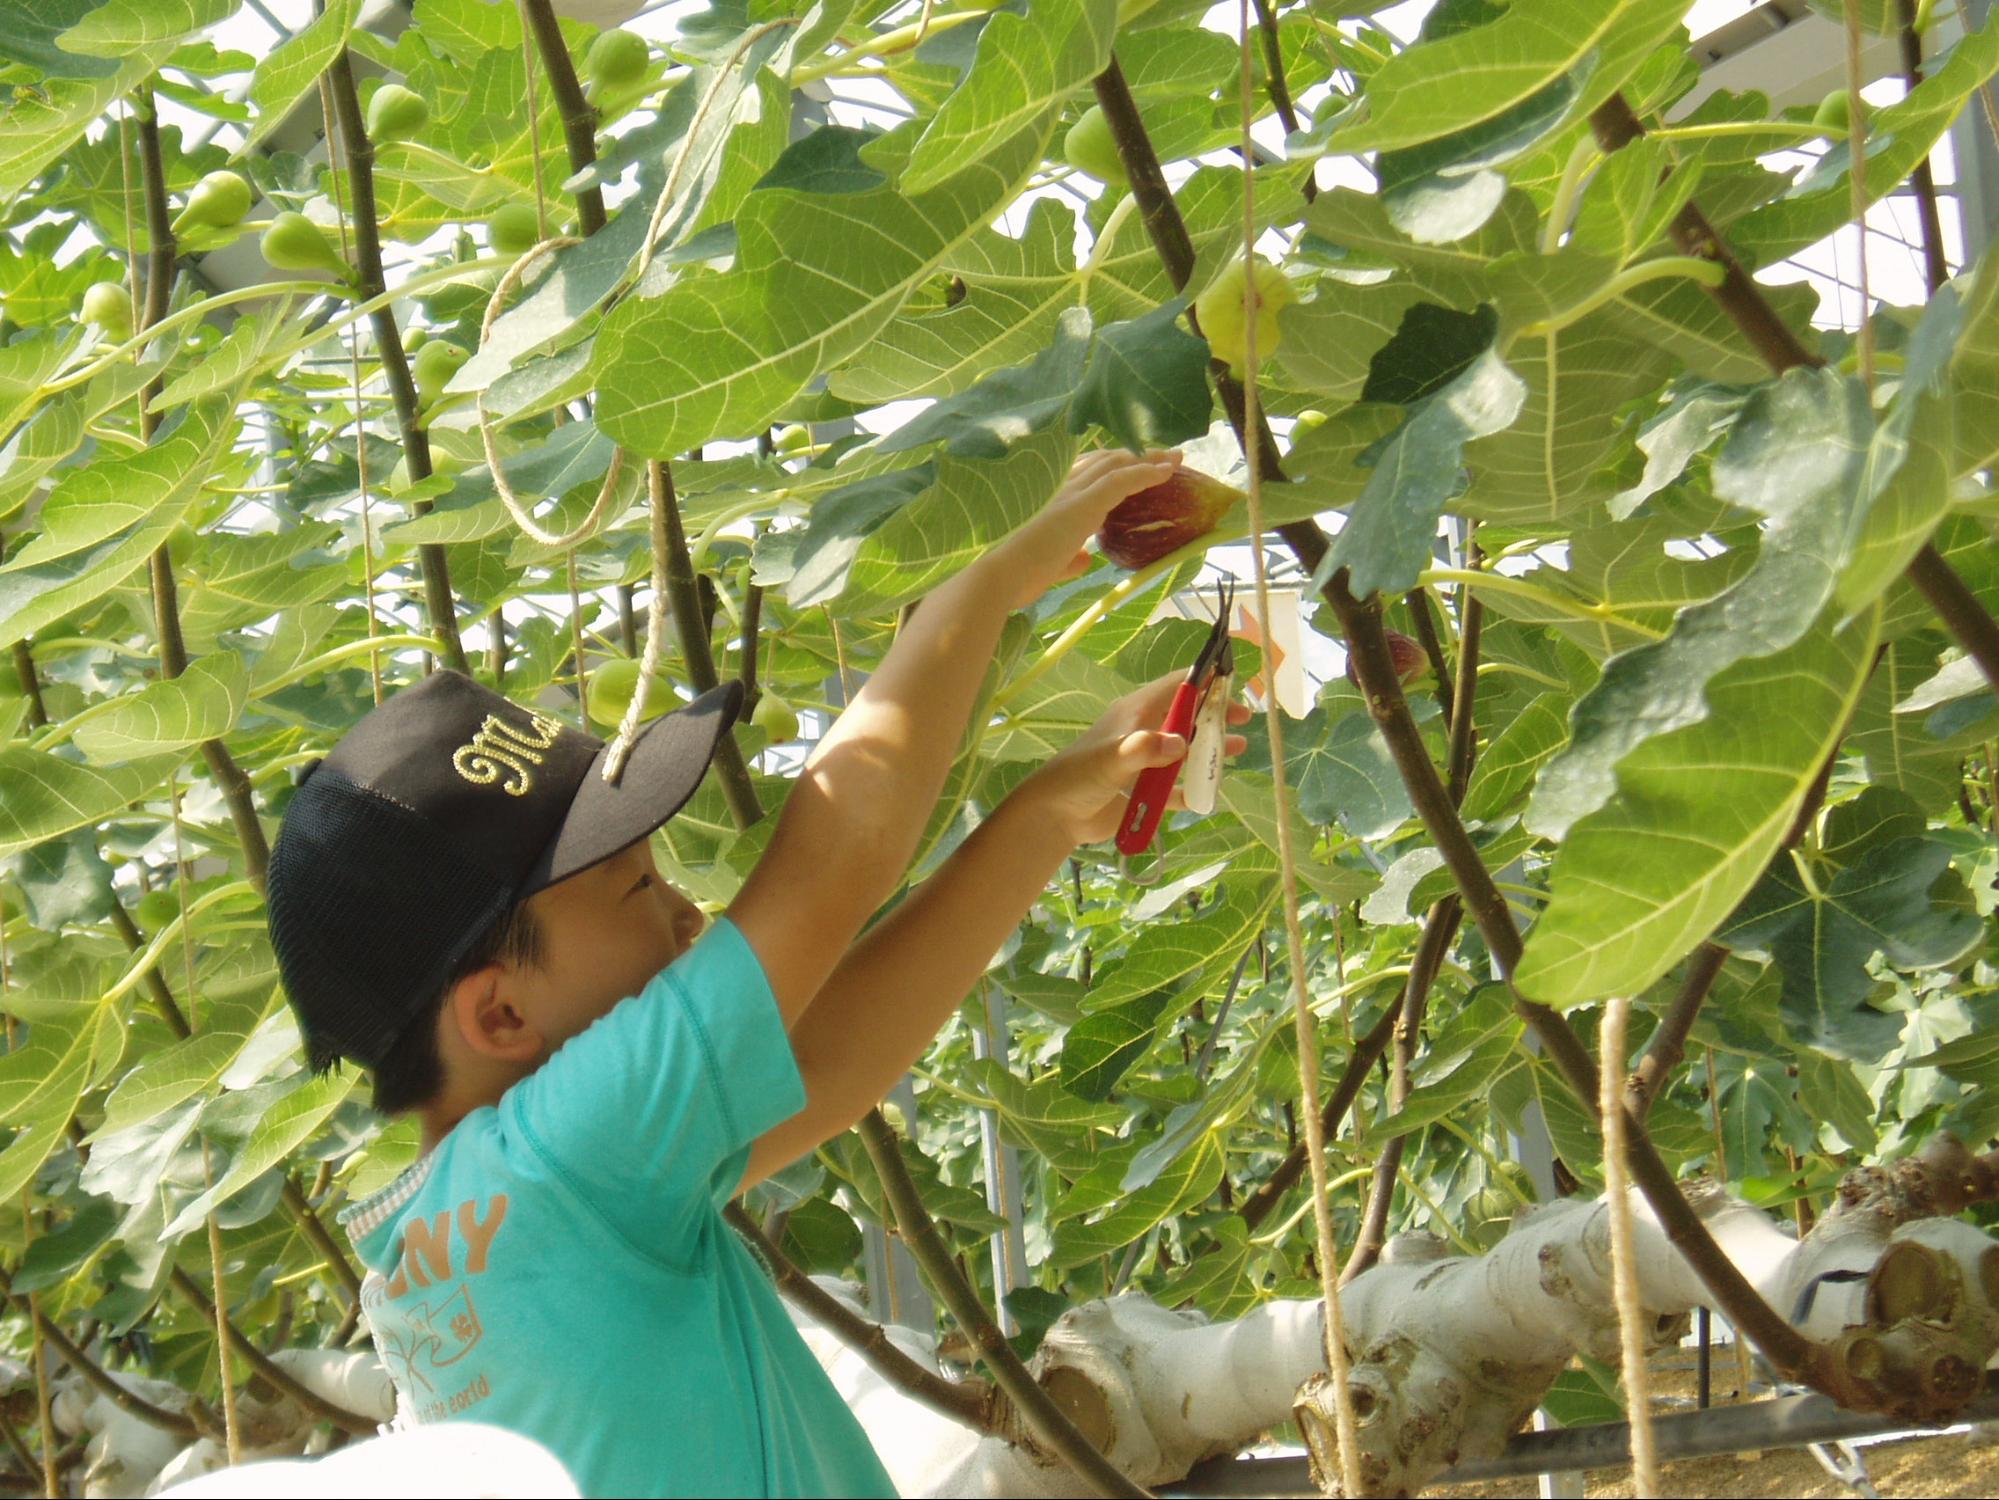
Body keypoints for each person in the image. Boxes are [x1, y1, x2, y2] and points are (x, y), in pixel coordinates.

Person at [263, 448, 1250, 1498]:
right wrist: (990, 582)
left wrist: (1043, 815)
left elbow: (826, 1063)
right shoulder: (568, 1161)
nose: (690, 910)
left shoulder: (461, 1232)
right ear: (501, 1012)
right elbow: (837, 861)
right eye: (637, 888)